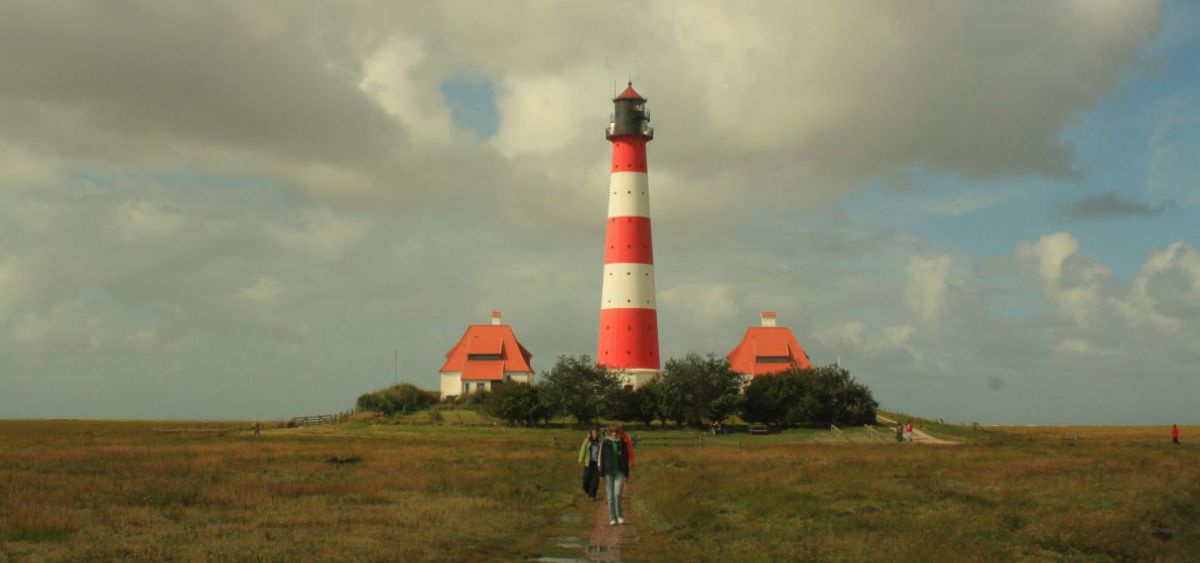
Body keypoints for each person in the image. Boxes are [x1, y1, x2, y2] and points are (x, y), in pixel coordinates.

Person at [599, 423, 633, 526]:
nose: (614, 434)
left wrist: (627, 474)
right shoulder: (605, 443)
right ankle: (612, 518)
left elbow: (626, 459)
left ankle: (620, 516)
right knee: (610, 497)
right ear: (609, 433)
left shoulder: (623, 443)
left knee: (617, 494)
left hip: (619, 472)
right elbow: (602, 458)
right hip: (609, 472)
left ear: (619, 433)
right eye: (612, 432)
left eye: (616, 432)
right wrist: (601, 474)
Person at [577, 427, 603, 500]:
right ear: (591, 433)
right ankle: (587, 490)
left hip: (597, 463)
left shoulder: (600, 442)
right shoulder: (587, 441)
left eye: (596, 433)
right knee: (586, 478)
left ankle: (592, 495)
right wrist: (580, 458)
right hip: (588, 463)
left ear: (598, 434)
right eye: (594, 433)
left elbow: (602, 453)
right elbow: (583, 449)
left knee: (595, 480)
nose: (595, 435)